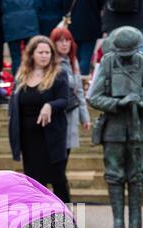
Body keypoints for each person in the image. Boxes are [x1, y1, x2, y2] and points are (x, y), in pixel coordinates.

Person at [89, 27, 143, 228]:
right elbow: (94, 97)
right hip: (113, 130)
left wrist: (142, 103)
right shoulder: (107, 63)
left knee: (138, 178)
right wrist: (118, 103)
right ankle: (117, 225)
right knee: (114, 177)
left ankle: (135, 227)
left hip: (140, 130)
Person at [9, 36, 71, 203]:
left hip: (51, 136)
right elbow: (15, 104)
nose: (45, 56)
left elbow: (65, 100)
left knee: (58, 179)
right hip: (28, 139)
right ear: (32, 54)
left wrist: (50, 105)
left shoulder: (59, 74)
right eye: (41, 52)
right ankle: (38, 219)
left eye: (48, 52)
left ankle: (65, 220)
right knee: (33, 182)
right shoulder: (22, 75)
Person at [51, 27, 91, 161]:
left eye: (67, 40)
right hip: (55, 114)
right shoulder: (49, 62)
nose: (64, 44)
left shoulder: (73, 61)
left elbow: (79, 90)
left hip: (71, 112)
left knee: (65, 155)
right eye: (60, 41)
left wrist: (84, 117)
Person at [63, 0, 104, 77]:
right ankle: (82, 81)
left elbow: (65, 6)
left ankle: (74, 80)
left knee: (74, 57)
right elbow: (102, 6)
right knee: (86, 57)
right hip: (92, 26)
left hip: (73, 25)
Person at [0, 0, 40, 77]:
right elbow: (38, 4)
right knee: (32, 54)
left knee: (16, 58)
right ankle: (33, 79)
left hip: (11, 22)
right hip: (30, 20)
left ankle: (18, 80)